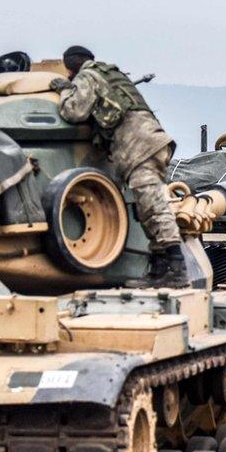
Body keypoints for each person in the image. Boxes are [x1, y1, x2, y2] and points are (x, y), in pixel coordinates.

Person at [50, 45, 188, 287]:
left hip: (139, 146)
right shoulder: (110, 74)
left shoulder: (87, 76)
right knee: (145, 209)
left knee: (153, 205)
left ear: (70, 68)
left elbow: (73, 111)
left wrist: (65, 91)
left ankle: (177, 269)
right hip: (149, 141)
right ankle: (159, 270)